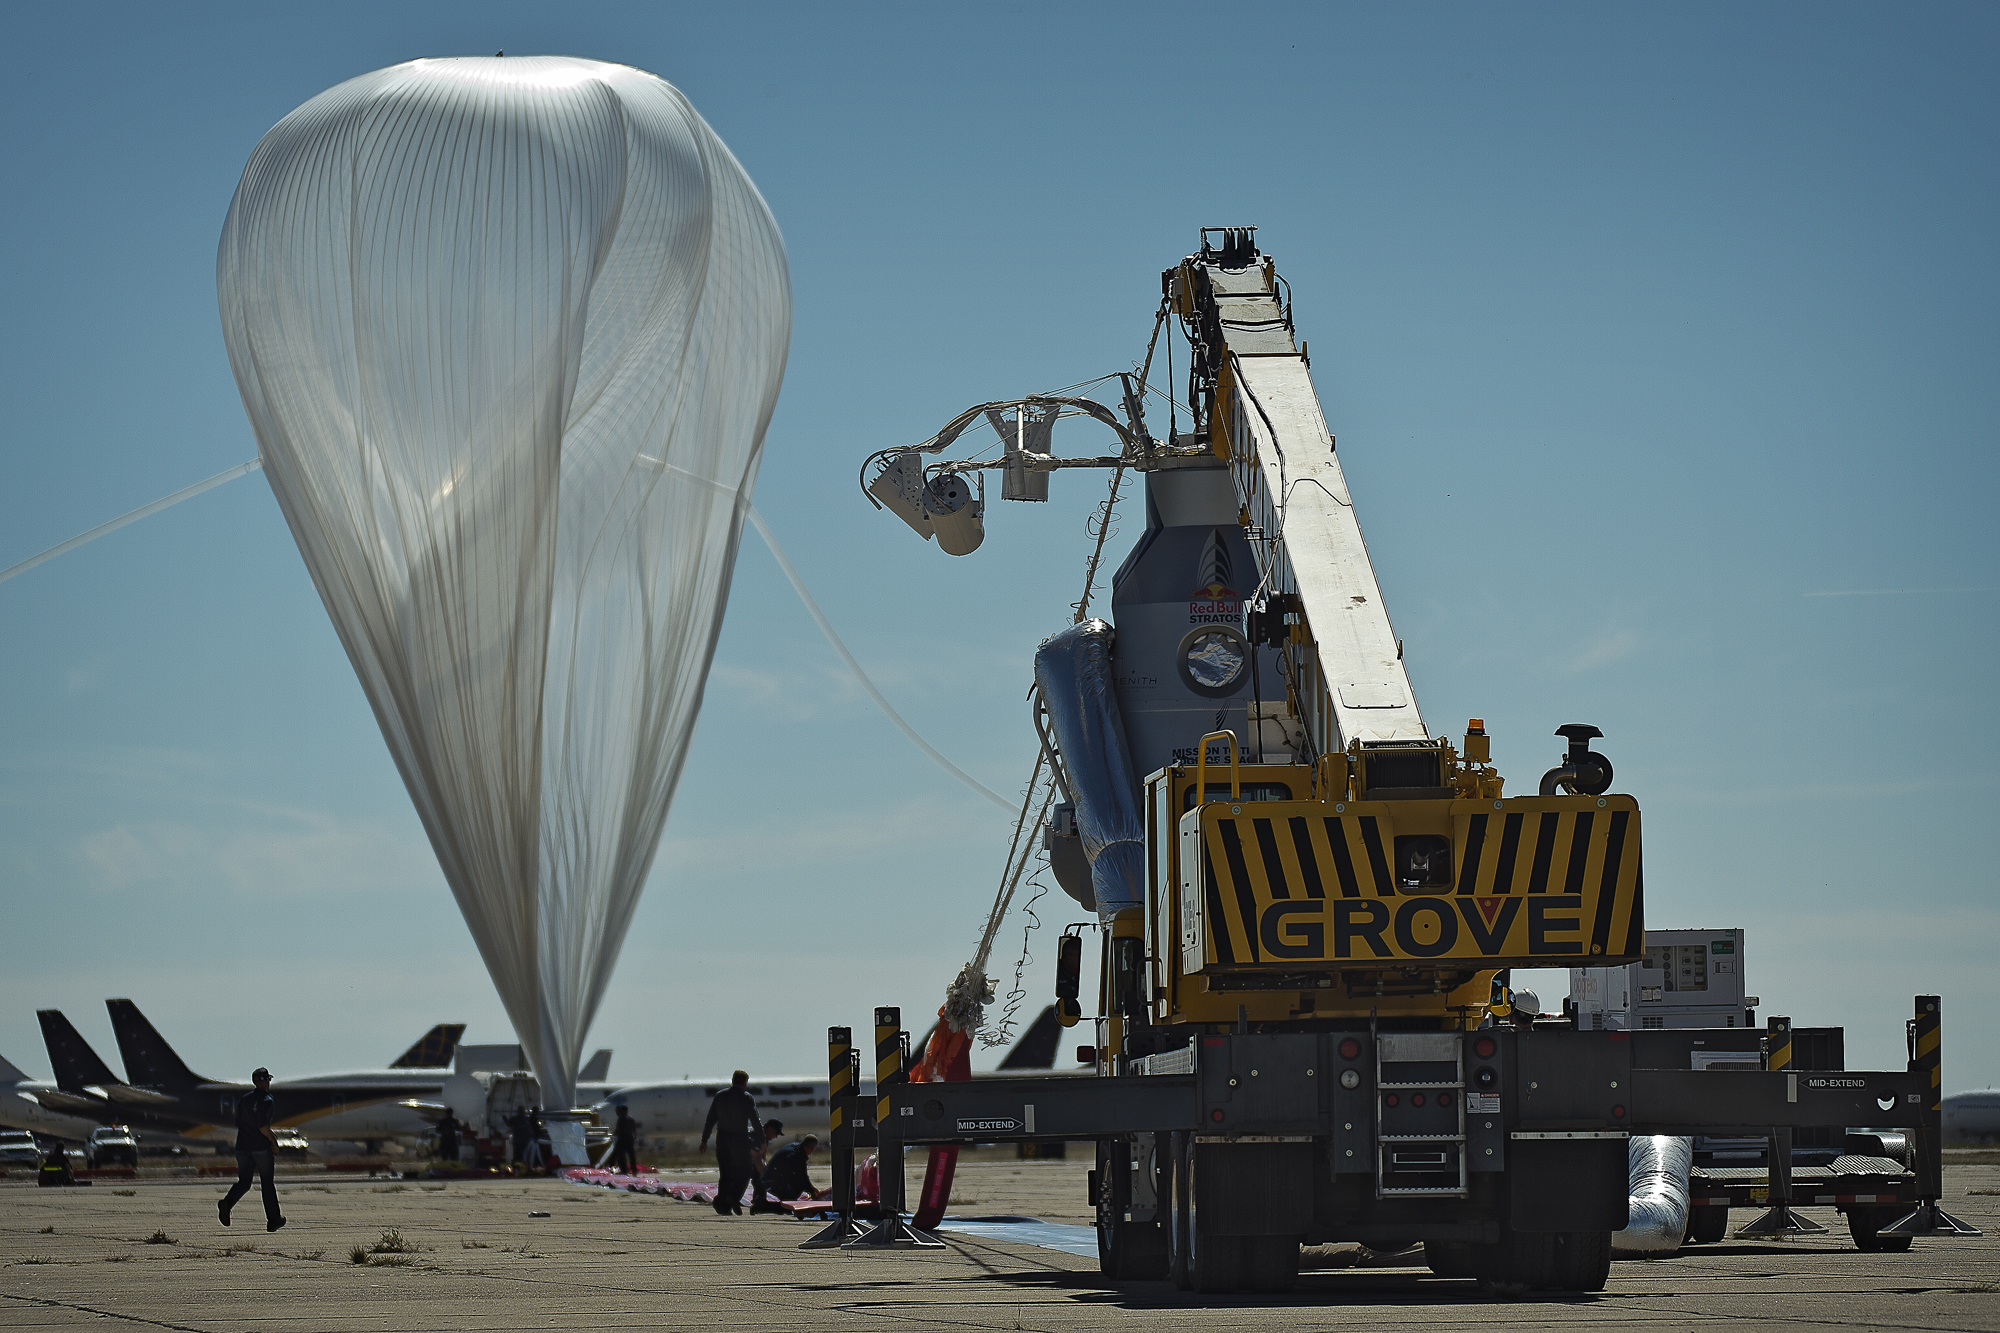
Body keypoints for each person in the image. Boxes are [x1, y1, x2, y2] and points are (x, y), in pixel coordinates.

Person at [219, 1068, 286, 1232]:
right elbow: (262, 1125)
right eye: (268, 1080)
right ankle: (273, 1219)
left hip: (242, 1146)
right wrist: (273, 1140)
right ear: (266, 1081)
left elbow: (238, 1123)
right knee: (267, 1182)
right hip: (260, 1148)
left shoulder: (244, 1100)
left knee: (244, 1182)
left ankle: (227, 1202)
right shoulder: (267, 1100)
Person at [699, 1071, 762, 1216]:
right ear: (744, 1082)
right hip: (739, 1139)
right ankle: (732, 1197)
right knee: (745, 1170)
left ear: (732, 1080)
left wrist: (704, 1140)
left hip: (722, 1138)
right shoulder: (746, 1098)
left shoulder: (720, 1096)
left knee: (726, 1173)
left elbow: (710, 1120)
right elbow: (755, 1119)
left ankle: (723, 1203)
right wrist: (762, 1139)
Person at [753, 1134, 824, 1212]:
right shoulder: (797, 1155)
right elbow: (802, 1177)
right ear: (812, 1148)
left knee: (797, 1188)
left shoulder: (795, 1147)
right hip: (772, 1181)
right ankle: (761, 1206)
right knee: (789, 1206)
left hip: (771, 1178)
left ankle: (765, 1203)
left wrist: (811, 1188)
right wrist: (812, 1193)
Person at [610, 1104, 639, 1175]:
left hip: (622, 1138)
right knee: (631, 1156)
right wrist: (635, 1138)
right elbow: (634, 1130)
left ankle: (624, 1170)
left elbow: (618, 1129)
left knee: (621, 1156)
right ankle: (634, 1171)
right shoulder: (631, 1118)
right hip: (630, 1138)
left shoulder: (621, 1119)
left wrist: (613, 1136)